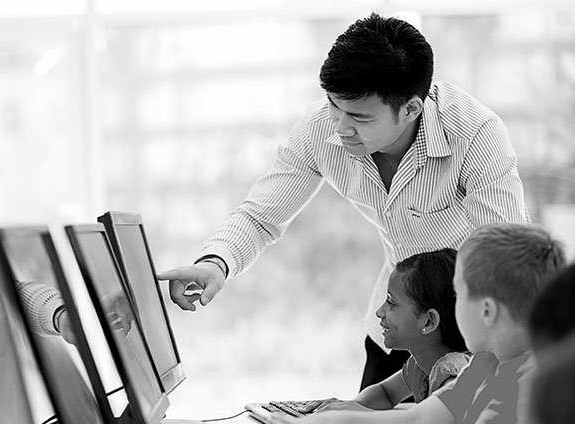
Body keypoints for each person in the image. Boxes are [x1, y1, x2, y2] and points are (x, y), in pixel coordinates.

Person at [156, 13, 529, 392]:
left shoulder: (475, 135)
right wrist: (217, 262)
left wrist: (482, 354)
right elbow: (261, 215)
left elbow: (503, 264)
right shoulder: (322, 128)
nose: (340, 126)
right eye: (334, 105)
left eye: (359, 117)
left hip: (472, 330)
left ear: (411, 109)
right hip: (399, 326)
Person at [255, 223, 566, 424]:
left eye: (459, 295)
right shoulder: (485, 363)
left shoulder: (534, 378)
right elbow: (418, 423)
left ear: (485, 310)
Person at [308, 248, 469, 412]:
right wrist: (351, 406)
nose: (379, 312)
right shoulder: (421, 366)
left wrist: (359, 416)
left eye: (391, 302)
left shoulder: (453, 373)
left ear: (428, 322)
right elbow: (385, 393)